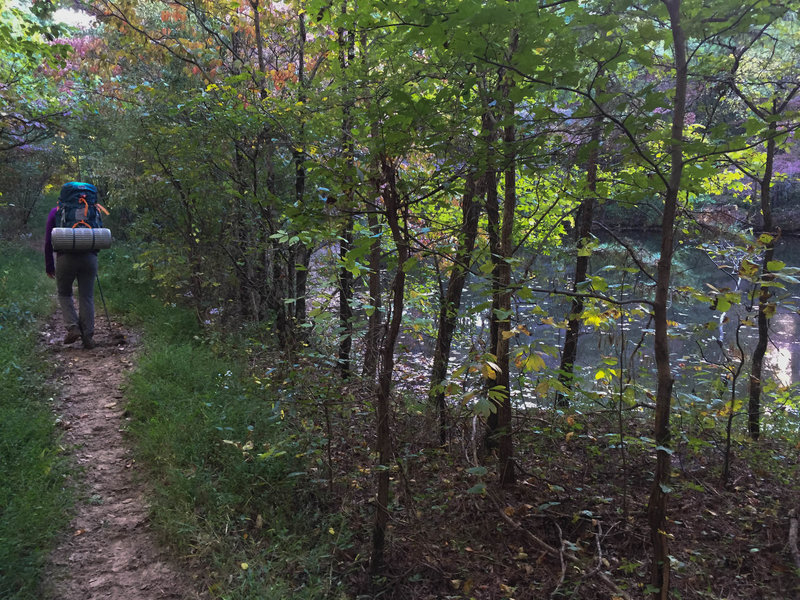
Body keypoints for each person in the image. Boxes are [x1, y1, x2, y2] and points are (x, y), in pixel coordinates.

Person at [44, 183, 100, 349]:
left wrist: (49, 265)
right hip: (89, 257)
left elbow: (49, 241)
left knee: (64, 293)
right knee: (86, 296)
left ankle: (73, 327)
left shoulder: (56, 212)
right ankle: (88, 337)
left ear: (61, 198)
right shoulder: (93, 211)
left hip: (65, 258)